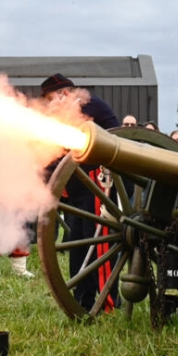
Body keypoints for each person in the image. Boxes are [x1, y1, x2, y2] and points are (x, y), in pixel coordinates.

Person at [41, 73, 120, 310]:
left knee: (100, 246)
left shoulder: (89, 105)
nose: (48, 105)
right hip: (76, 189)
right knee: (78, 247)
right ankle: (83, 300)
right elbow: (59, 155)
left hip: (97, 184)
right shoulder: (63, 119)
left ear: (65, 94)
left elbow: (112, 140)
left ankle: (108, 304)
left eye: (50, 98)